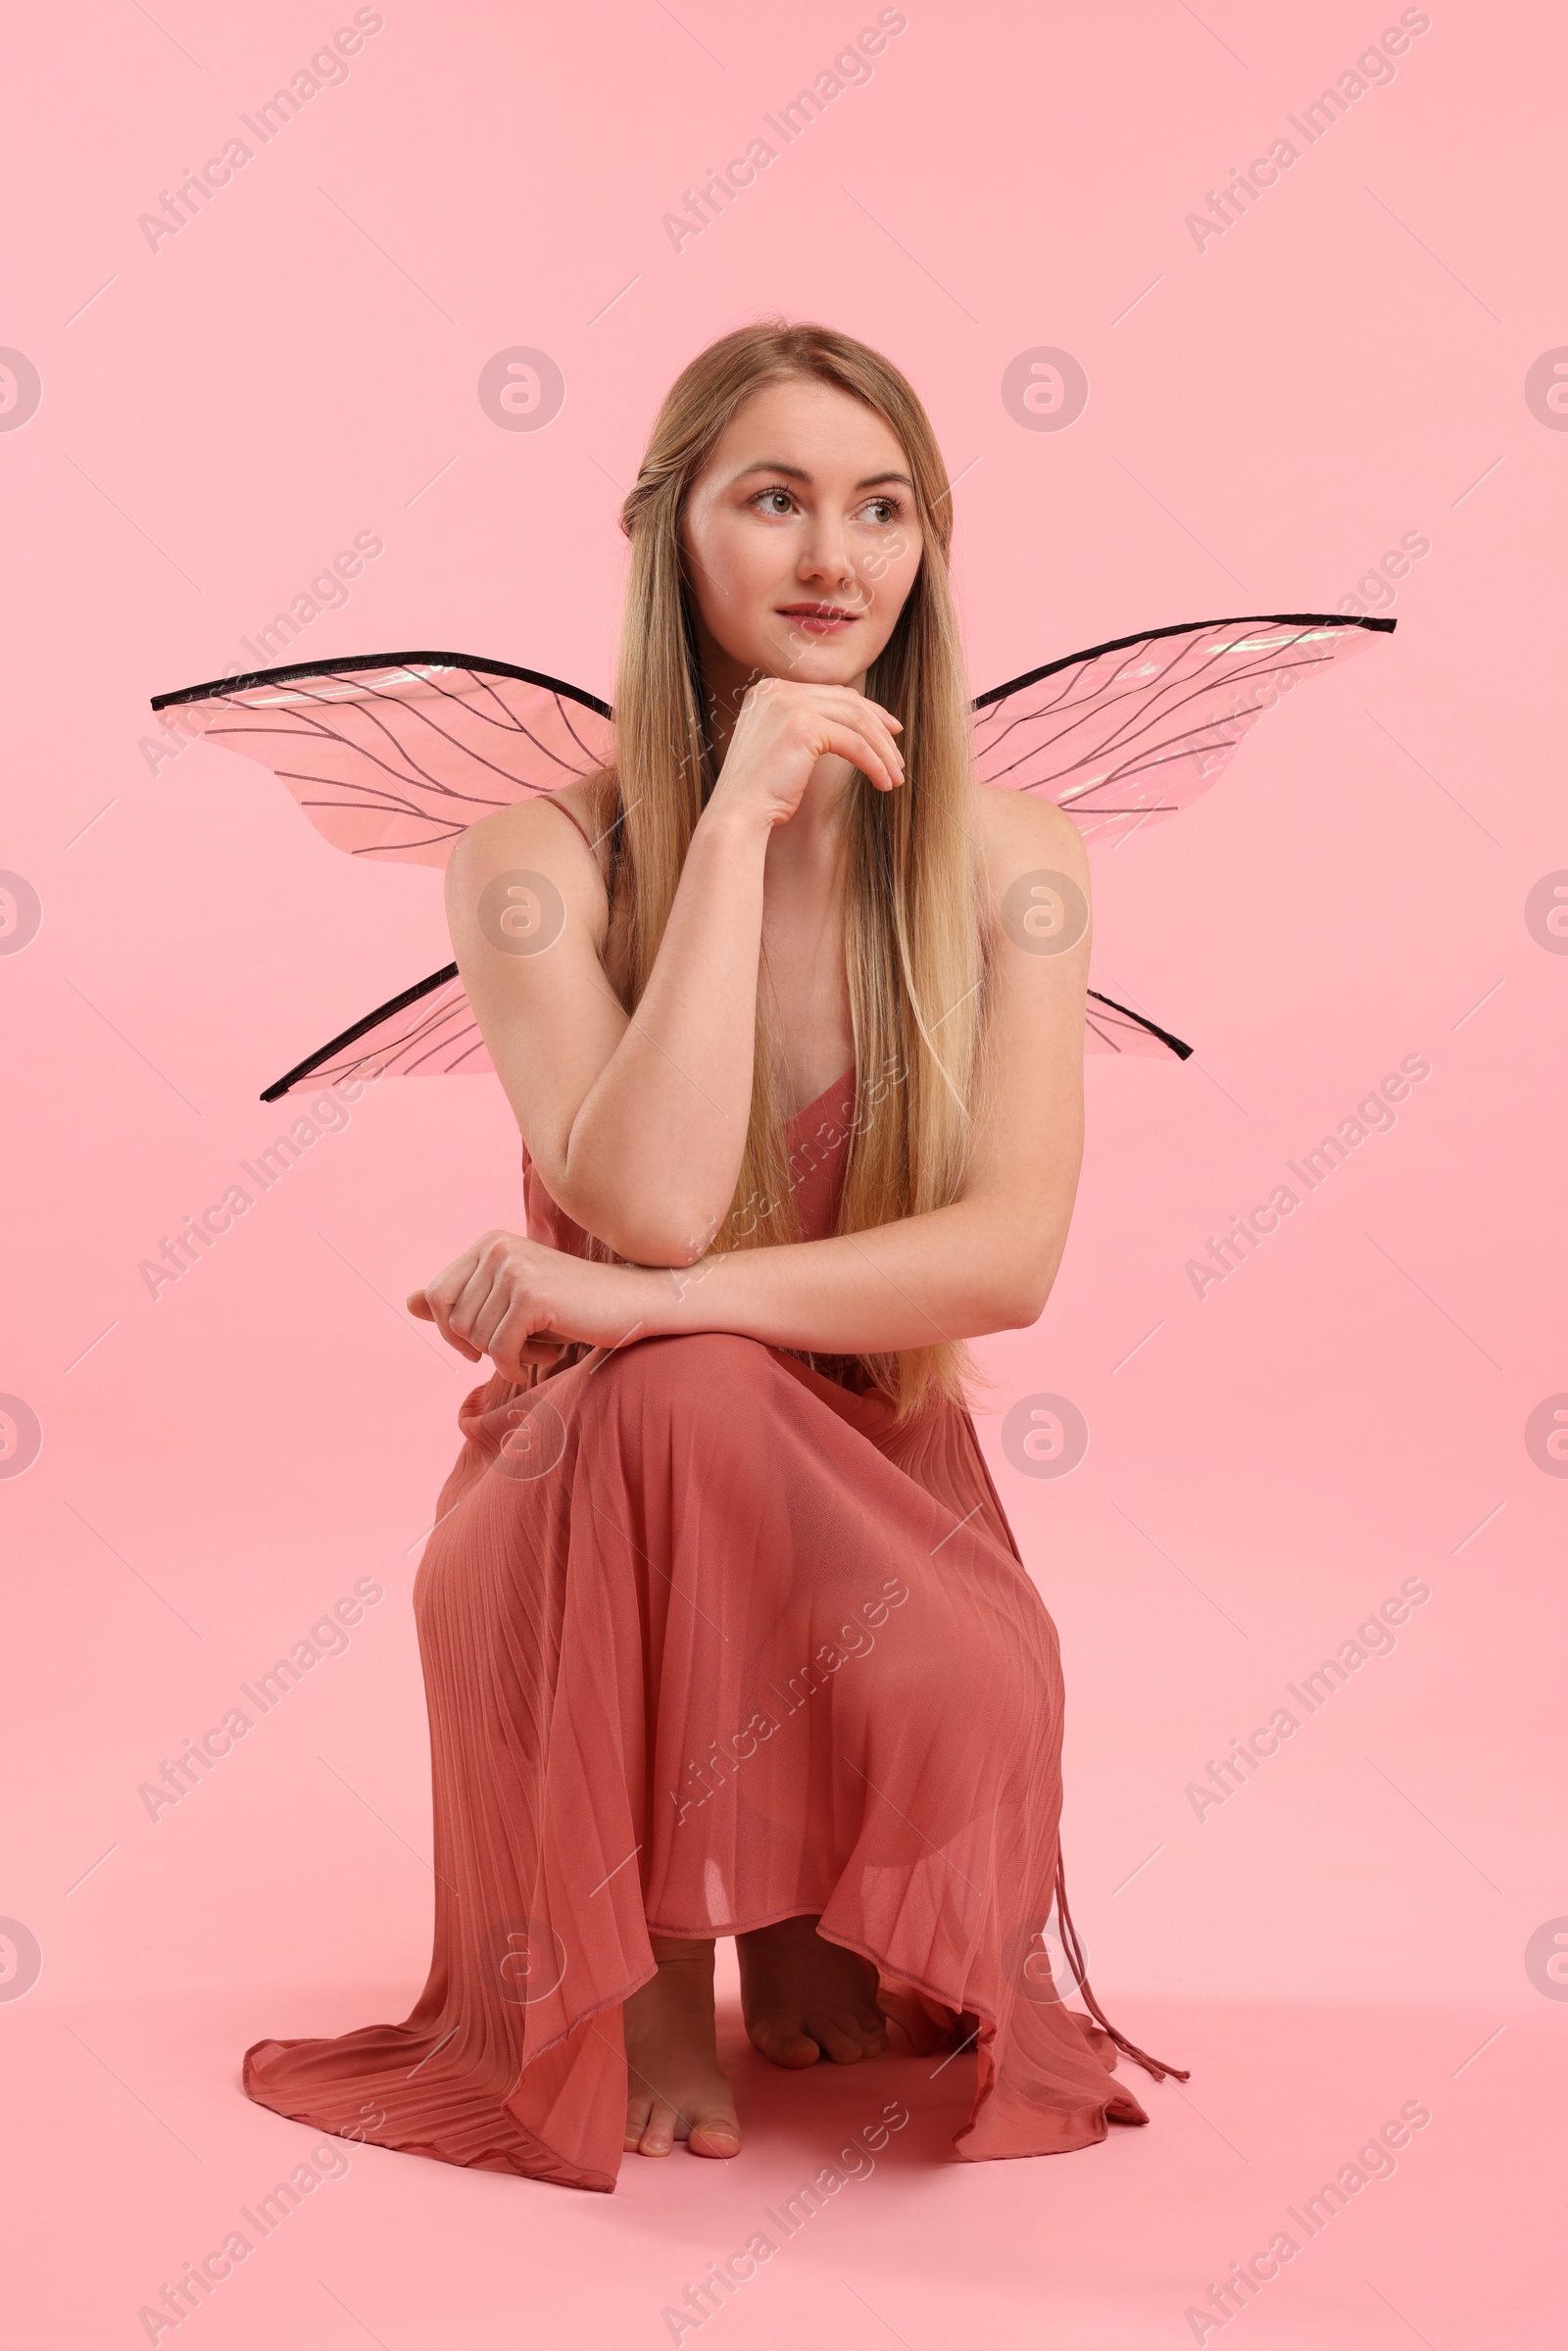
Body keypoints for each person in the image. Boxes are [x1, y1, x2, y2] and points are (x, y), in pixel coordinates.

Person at [242, 320, 1180, 2191]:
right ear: (673, 538)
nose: (837, 558)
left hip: (875, 1503)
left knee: (681, 1354)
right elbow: (657, 1200)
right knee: (672, 1394)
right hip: (581, 1497)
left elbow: (1006, 1262)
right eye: (775, 501)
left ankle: (793, 1897)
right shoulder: (539, 857)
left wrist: (643, 1299)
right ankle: (653, 1953)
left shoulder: (1016, 858)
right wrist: (738, 823)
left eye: (883, 506)